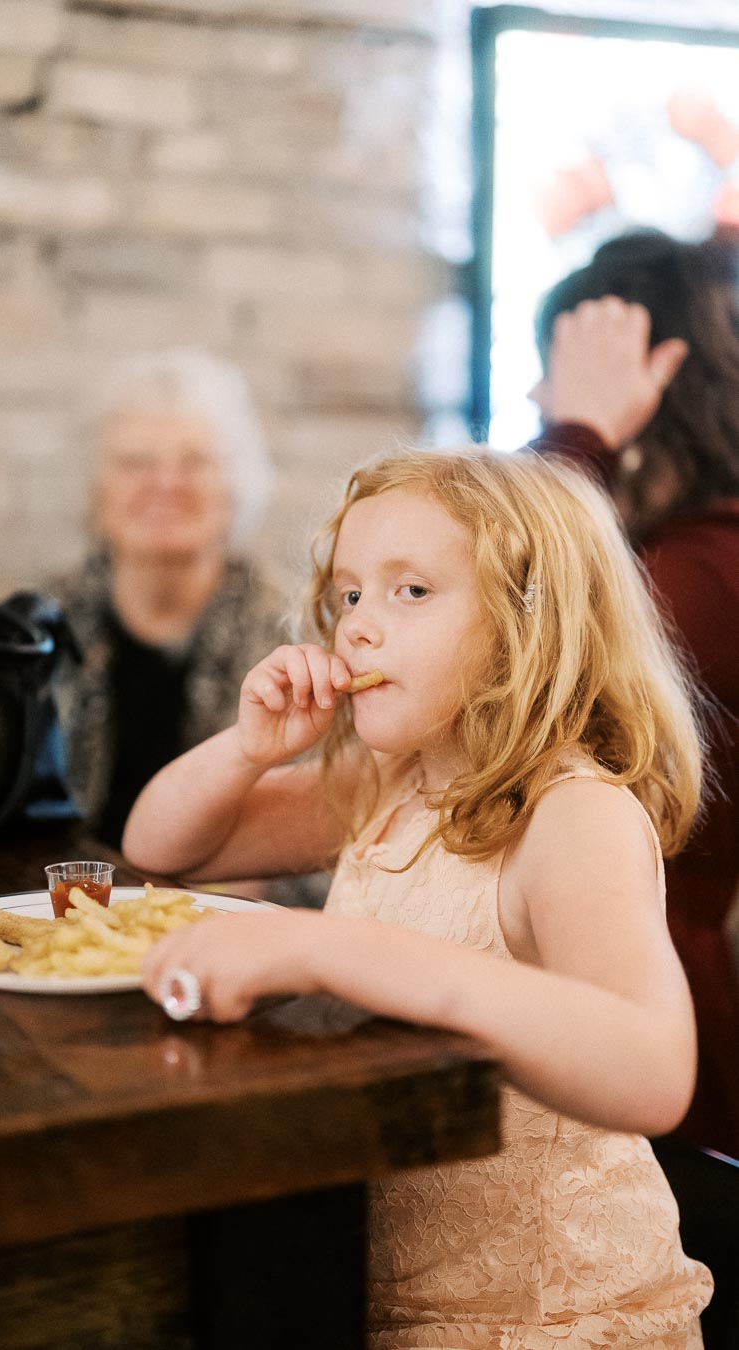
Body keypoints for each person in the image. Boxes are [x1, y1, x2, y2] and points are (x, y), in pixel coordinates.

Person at [126, 447, 713, 1348]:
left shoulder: (573, 815)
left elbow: (652, 1069)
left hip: (546, 1322)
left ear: (532, 623)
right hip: (376, 1301)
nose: (356, 627)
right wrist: (248, 749)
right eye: (351, 594)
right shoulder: (389, 783)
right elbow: (162, 846)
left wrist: (329, 949)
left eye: (411, 592)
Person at [530, 227, 739, 1160]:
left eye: (559, 377)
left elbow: (508, 665)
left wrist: (579, 437)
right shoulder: (665, 553)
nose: (542, 398)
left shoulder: (704, 566)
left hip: (643, 998)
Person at [51, 348, 288, 854]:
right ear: (95, 490)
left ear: (234, 487)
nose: (165, 483)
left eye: (194, 461)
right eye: (136, 462)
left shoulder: (294, 634)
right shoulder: (40, 625)